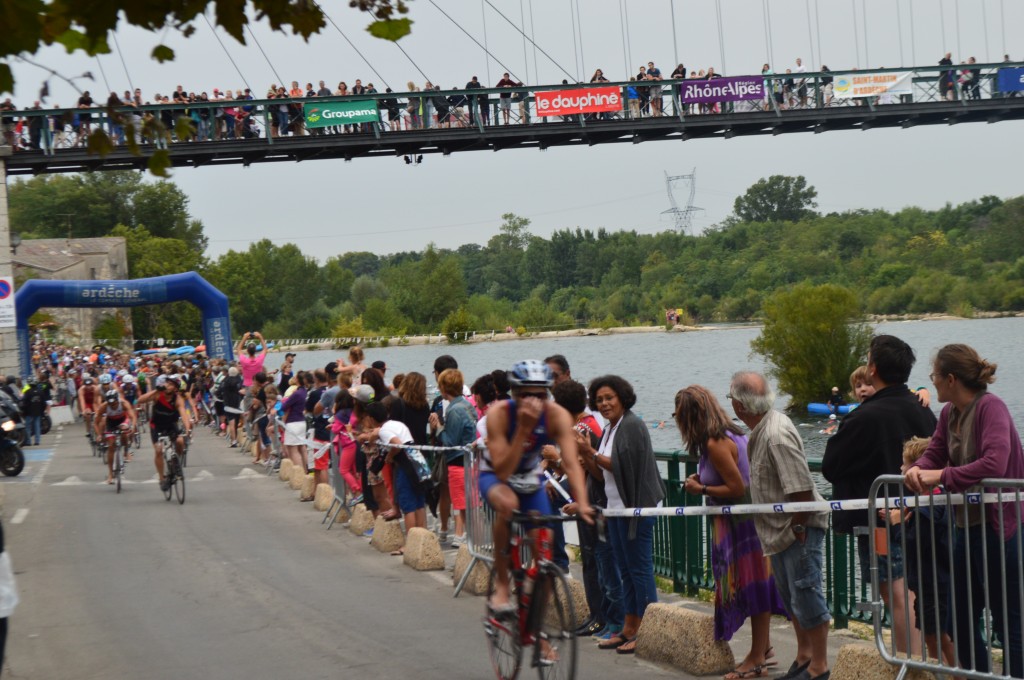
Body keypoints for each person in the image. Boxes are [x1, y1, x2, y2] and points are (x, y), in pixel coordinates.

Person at [904, 344, 1024, 678]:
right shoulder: (949, 414)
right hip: (965, 527)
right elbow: (937, 452)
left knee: (1008, 620)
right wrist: (918, 469)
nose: (934, 383)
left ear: (951, 379)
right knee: (958, 620)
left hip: (1001, 529)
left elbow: (995, 464)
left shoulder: (991, 408)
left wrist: (940, 476)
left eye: (935, 377)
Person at [822, 335, 936, 656]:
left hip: (881, 521)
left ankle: (909, 663)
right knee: (917, 589)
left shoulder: (864, 417)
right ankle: (926, 659)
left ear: (872, 368)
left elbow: (831, 465)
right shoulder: (923, 410)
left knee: (894, 593)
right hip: (921, 512)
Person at [675, 385, 787, 678]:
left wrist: (700, 488)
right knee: (754, 586)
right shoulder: (731, 433)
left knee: (753, 588)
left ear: (691, 415)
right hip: (741, 520)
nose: (674, 415)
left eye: (678, 411)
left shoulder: (714, 442)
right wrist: (704, 478)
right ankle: (765, 649)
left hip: (741, 525)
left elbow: (737, 486)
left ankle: (757, 657)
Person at [729, 371, 831, 680]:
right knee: (793, 599)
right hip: (779, 532)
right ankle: (804, 657)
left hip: (796, 530)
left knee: (807, 595)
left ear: (739, 406)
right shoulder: (761, 429)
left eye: (732, 398)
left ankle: (819, 666)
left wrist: (797, 530)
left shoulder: (775, 435)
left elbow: (801, 490)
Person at [482, 361, 592, 613]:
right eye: (526, 395)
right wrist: (522, 430)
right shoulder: (499, 415)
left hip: (529, 475)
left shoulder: (557, 415)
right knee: (507, 504)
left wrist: (584, 503)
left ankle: (535, 629)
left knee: (545, 558)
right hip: (496, 474)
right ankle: (501, 584)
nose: (534, 401)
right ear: (514, 395)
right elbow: (502, 470)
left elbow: (572, 465)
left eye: (541, 395)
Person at [578, 374, 663, 654]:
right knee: (625, 570)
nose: (603, 404)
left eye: (609, 398)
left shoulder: (632, 425)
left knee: (639, 570)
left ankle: (648, 631)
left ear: (622, 397)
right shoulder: (611, 428)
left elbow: (622, 466)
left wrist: (590, 451)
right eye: (599, 400)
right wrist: (586, 454)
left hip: (636, 507)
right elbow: (601, 475)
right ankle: (629, 627)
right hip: (615, 508)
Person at [887, 437, 955, 670]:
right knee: (930, 634)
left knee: (940, 636)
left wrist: (897, 524)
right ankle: (944, 674)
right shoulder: (929, 502)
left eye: (905, 464)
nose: (901, 469)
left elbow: (913, 541)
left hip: (934, 580)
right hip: (928, 580)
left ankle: (958, 675)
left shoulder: (929, 507)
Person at [361, 401, 430, 553]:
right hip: (417, 460)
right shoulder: (396, 424)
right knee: (418, 502)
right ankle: (422, 537)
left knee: (408, 505)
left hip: (405, 464)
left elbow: (397, 444)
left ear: (372, 419)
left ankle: (410, 543)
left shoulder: (385, 431)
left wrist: (390, 457)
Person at [431, 369, 477, 545]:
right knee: (466, 499)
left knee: (459, 500)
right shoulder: (466, 404)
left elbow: (450, 441)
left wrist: (438, 428)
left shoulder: (454, 410)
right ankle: (464, 534)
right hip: (469, 458)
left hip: (458, 460)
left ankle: (460, 535)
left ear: (444, 388)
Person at [137, 375, 192, 492]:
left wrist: (188, 429)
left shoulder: (177, 399)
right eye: (167, 383)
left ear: (176, 389)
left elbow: (184, 414)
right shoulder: (158, 394)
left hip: (170, 425)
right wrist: (155, 390)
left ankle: (175, 462)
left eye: (171, 384)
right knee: (158, 450)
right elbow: (140, 400)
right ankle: (162, 479)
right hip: (156, 426)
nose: (167, 385)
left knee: (180, 441)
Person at [94, 388, 137, 484]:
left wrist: (133, 427)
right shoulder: (104, 406)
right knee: (111, 446)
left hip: (123, 420)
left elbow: (132, 416)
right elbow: (96, 423)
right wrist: (99, 435)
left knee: (124, 433)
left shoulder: (124, 403)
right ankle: (110, 473)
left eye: (114, 404)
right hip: (111, 422)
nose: (112, 406)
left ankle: (126, 451)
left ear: (118, 400)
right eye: (110, 405)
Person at [221, 366, 244, 447]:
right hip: (237, 404)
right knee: (237, 422)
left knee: (231, 423)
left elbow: (220, 391)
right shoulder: (239, 380)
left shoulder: (225, 381)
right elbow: (241, 390)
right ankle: (237, 439)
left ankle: (233, 441)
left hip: (228, 404)